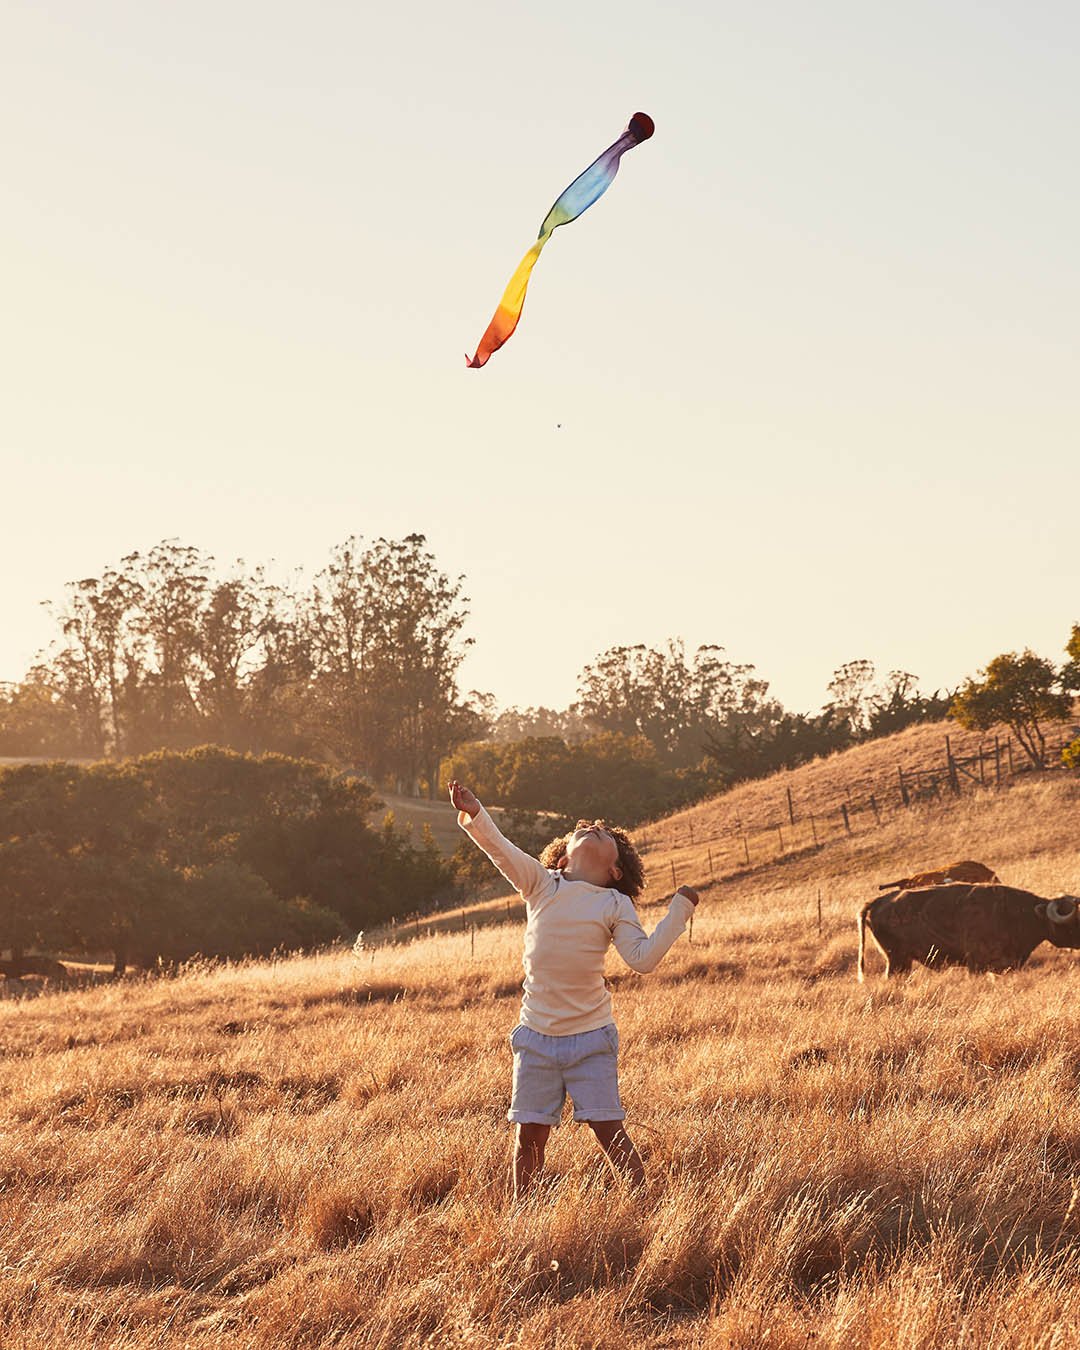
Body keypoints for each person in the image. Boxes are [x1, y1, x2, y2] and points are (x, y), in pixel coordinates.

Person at [448, 778, 700, 1200]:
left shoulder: (615, 904)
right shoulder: (541, 884)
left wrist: (679, 911)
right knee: (529, 1138)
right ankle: (521, 1217)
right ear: (564, 856)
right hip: (537, 1040)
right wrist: (476, 814)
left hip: (590, 1039)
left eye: (603, 832)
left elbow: (643, 959)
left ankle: (646, 1205)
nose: (593, 827)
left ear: (614, 871)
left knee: (609, 1132)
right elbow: (501, 850)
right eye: (585, 828)